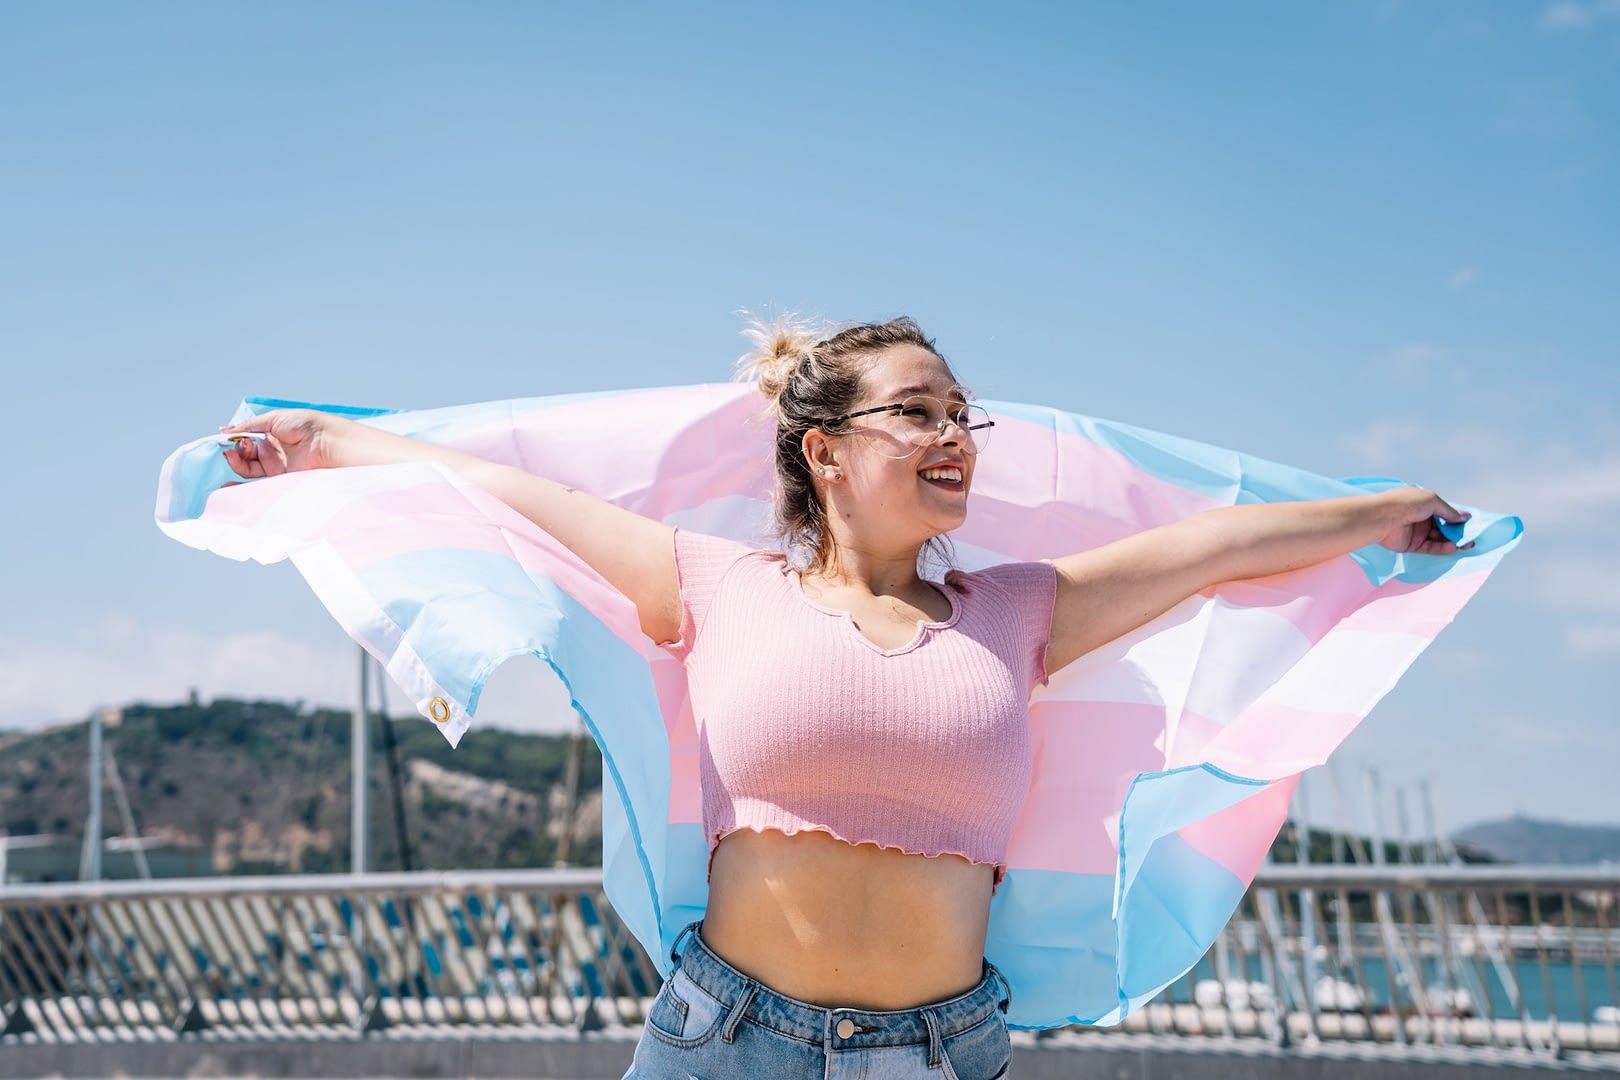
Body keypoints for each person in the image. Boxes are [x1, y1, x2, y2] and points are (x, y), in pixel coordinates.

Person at [220, 316, 1473, 1079]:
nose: (957, 436)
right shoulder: (712, 582)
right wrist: (325, 443)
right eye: (917, 412)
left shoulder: (1019, 609)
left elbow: (1221, 542)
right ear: (824, 451)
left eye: (963, 416)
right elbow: (500, 492)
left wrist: (1388, 513)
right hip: (726, 1042)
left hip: (935, 1055)